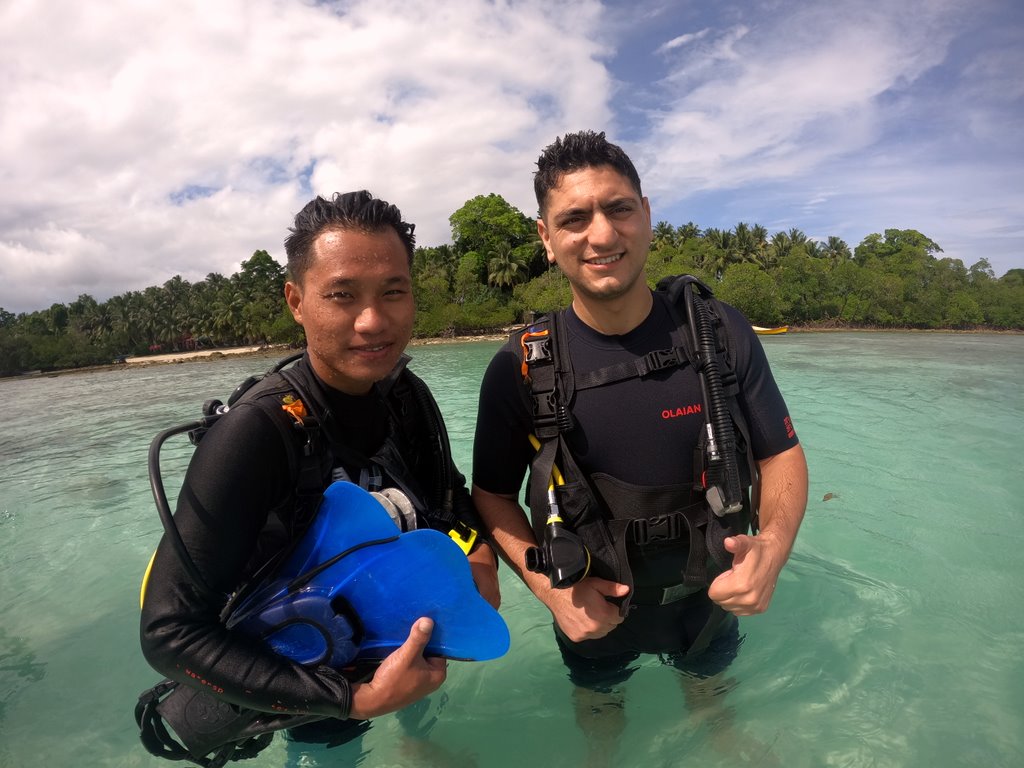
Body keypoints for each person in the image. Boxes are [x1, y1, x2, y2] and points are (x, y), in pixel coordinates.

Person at [471, 131, 807, 762]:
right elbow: (489, 496)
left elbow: (780, 452)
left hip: (709, 603)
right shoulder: (518, 368)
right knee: (603, 729)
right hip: (589, 613)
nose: (602, 235)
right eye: (574, 218)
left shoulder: (718, 331)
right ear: (546, 239)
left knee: (717, 715)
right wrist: (549, 592)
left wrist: (774, 549)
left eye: (618, 208)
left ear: (647, 215)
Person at [139, 190, 500, 764]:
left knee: (422, 734)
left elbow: (447, 498)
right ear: (296, 300)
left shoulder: (406, 395)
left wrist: (479, 555)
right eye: (342, 295)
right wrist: (354, 700)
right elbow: (168, 633)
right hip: (313, 677)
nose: (373, 321)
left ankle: (417, 743)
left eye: (393, 292)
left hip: (404, 642)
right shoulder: (256, 433)